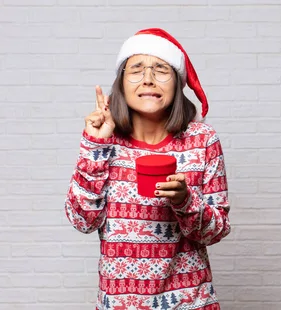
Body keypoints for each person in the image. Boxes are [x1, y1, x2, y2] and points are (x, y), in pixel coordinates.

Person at [64, 28, 231, 310]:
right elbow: (83, 221)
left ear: (177, 83)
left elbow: (216, 231)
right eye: (137, 69)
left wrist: (184, 200)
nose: (149, 79)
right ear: (122, 83)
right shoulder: (104, 141)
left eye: (161, 69)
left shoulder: (202, 141)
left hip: (190, 303)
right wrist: (95, 146)